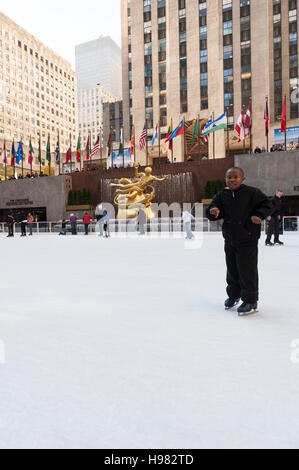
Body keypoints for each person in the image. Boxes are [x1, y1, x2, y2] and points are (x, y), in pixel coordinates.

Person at [207, 167, 273, 316]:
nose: (232, 180)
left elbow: (268, 204)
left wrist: (259, 215)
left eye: (235, 177)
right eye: (229, 177)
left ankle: (250, 300)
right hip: (230, 239)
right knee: (232, 270)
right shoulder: (222, 194)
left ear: (242, 178)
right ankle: (233, 295)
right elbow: (213, 206)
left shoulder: (252, 193)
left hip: (248, 238)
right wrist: (214, 210)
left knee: (247, 270)